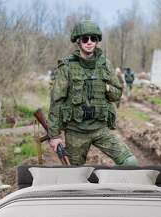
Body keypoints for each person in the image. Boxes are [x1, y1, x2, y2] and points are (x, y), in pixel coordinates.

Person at [47, 20, 138, 166]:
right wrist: (54, 136)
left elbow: (116, 94)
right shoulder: (67, 67)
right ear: (79, 42)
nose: (89, 42)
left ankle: (107, 187)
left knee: (130, 163)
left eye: (93, 38)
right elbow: (56, 102)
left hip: (100, 129)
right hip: (75, 132)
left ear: (96, 41)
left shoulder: (105, 64)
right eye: (85, 39)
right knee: (75, 177)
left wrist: (106, 88)